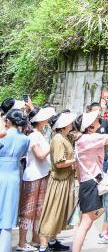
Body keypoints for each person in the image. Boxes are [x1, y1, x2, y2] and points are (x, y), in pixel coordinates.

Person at [71, 104, 108, 252]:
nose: (97, 119)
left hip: (86, 182)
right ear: (89, 125)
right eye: (94, 119)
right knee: (86, 223)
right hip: (91, 183)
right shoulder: (90, 138)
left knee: (85, 221)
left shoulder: (81, 138)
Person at [18, 107, 56, 251]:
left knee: (39, 209)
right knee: (28, 210)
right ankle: (22, 242)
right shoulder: (33, 135)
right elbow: (40, 156)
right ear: (39, 121)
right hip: (33, 176)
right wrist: (52, 147)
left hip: (42, 174)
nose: (47, 120)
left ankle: (34, 238)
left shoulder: (40, 134)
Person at [38, 112, 76, 252]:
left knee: (58, 212)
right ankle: (43, 246)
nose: (72, 124)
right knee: (52, 212)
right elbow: (59, 163)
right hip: (59, 181)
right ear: (64, 125)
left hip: (64, 180)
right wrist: (76, 159)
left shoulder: (64, 137)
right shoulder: (58, 139)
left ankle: (52, 241)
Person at [1, 111, 32, 252]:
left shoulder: (3, 136)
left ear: (7, 121)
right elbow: (22, 155)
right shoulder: (25, 139)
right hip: (14, 175)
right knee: (8, 214)